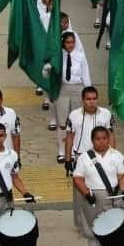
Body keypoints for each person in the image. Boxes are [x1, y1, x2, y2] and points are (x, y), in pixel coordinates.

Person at [71, 126, 124, 246]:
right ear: (92, 140)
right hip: (92, 198)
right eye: (98, 139)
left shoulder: (117, 156)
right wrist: (86, 194)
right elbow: (77, 178)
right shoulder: (84, 157)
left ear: (108, 139)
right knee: (93, 231)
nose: (101, 141)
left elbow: (123, 176)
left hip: (112, 197)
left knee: (112, 231)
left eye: (104, 138)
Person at [65, 86, 116, 233]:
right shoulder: (74, 115)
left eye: (94, 99)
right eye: (88, 99)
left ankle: (102, 219)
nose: (91, 102)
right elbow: (69, 138)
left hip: (101, 157)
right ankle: (80, 223)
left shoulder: (106, 114)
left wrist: (113, 155)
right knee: (80, 192)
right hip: (81, 158)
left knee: (101, 189)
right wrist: (68, 160)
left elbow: (111, 135)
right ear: (83, 100)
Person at [47, 30, 92, 164]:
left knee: (77, 121)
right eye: (67, 42)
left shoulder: (80, 56)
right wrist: (47, 69)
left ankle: (73, 149)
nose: (70, 45)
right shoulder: (58, 57)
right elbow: (49, 76)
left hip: (77, 89)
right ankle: (61, 151)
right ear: (63, 43)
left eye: (72, 42)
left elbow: (85, 74)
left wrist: (89, 91)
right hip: (63, 89)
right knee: (62, 123)